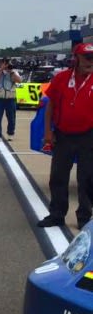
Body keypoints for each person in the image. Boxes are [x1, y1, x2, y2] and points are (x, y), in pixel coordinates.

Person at [37, 43, 93, 228]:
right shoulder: (61, 79)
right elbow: (50, 107)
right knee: (58, 177)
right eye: (87, 58)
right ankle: (57, 215)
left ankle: (84, 217)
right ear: (76, 58)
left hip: (88, 136)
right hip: (63, 135)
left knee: (87, 179)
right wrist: (47, 132)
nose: (90, 62)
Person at [0, 58, 21, 141]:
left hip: (10, 99)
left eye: (7, 63)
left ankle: (10, 133)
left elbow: (19, 81)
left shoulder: (13, 71)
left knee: (11, 117)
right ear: (1, 63)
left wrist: (11, 72)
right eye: (4, 63)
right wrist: (1, 70)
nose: (6, 65)